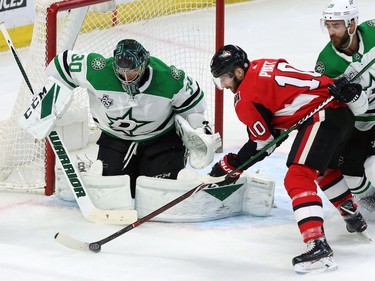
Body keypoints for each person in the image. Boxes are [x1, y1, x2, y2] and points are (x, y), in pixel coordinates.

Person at [208, 44, 368, 273]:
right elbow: (275, 125)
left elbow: (263, 144)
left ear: (239, 72)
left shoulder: (245, 98)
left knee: (297, 176)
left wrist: (231, 164)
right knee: (321, 169)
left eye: (224, 78)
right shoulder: (263, 64)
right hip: (341, 111)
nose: (223, 85)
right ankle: (352, 215)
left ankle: (318, 246)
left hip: (322, 115)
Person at [43, 39, 215, 198]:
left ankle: (176, 168)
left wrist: (197, 132)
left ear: (144, 64)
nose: (126, 77)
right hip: (115, 140)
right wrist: (46, 100)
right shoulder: (98, 69)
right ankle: (90, 168)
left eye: (132, 71)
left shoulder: (168, 78)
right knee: (114, 192)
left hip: (161, 141)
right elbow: (62, 64)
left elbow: (194, 106)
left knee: (156, 192)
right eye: (121, 71)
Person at [315, 0, 375, 211]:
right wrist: (350, 97)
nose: (331, 31)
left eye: (336, 25)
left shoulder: (372, 31)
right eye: (329, 26)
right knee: (350, 175)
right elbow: (329, 106)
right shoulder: (328, 63)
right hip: (362, 122)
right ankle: (373, 206)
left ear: (351, 25)